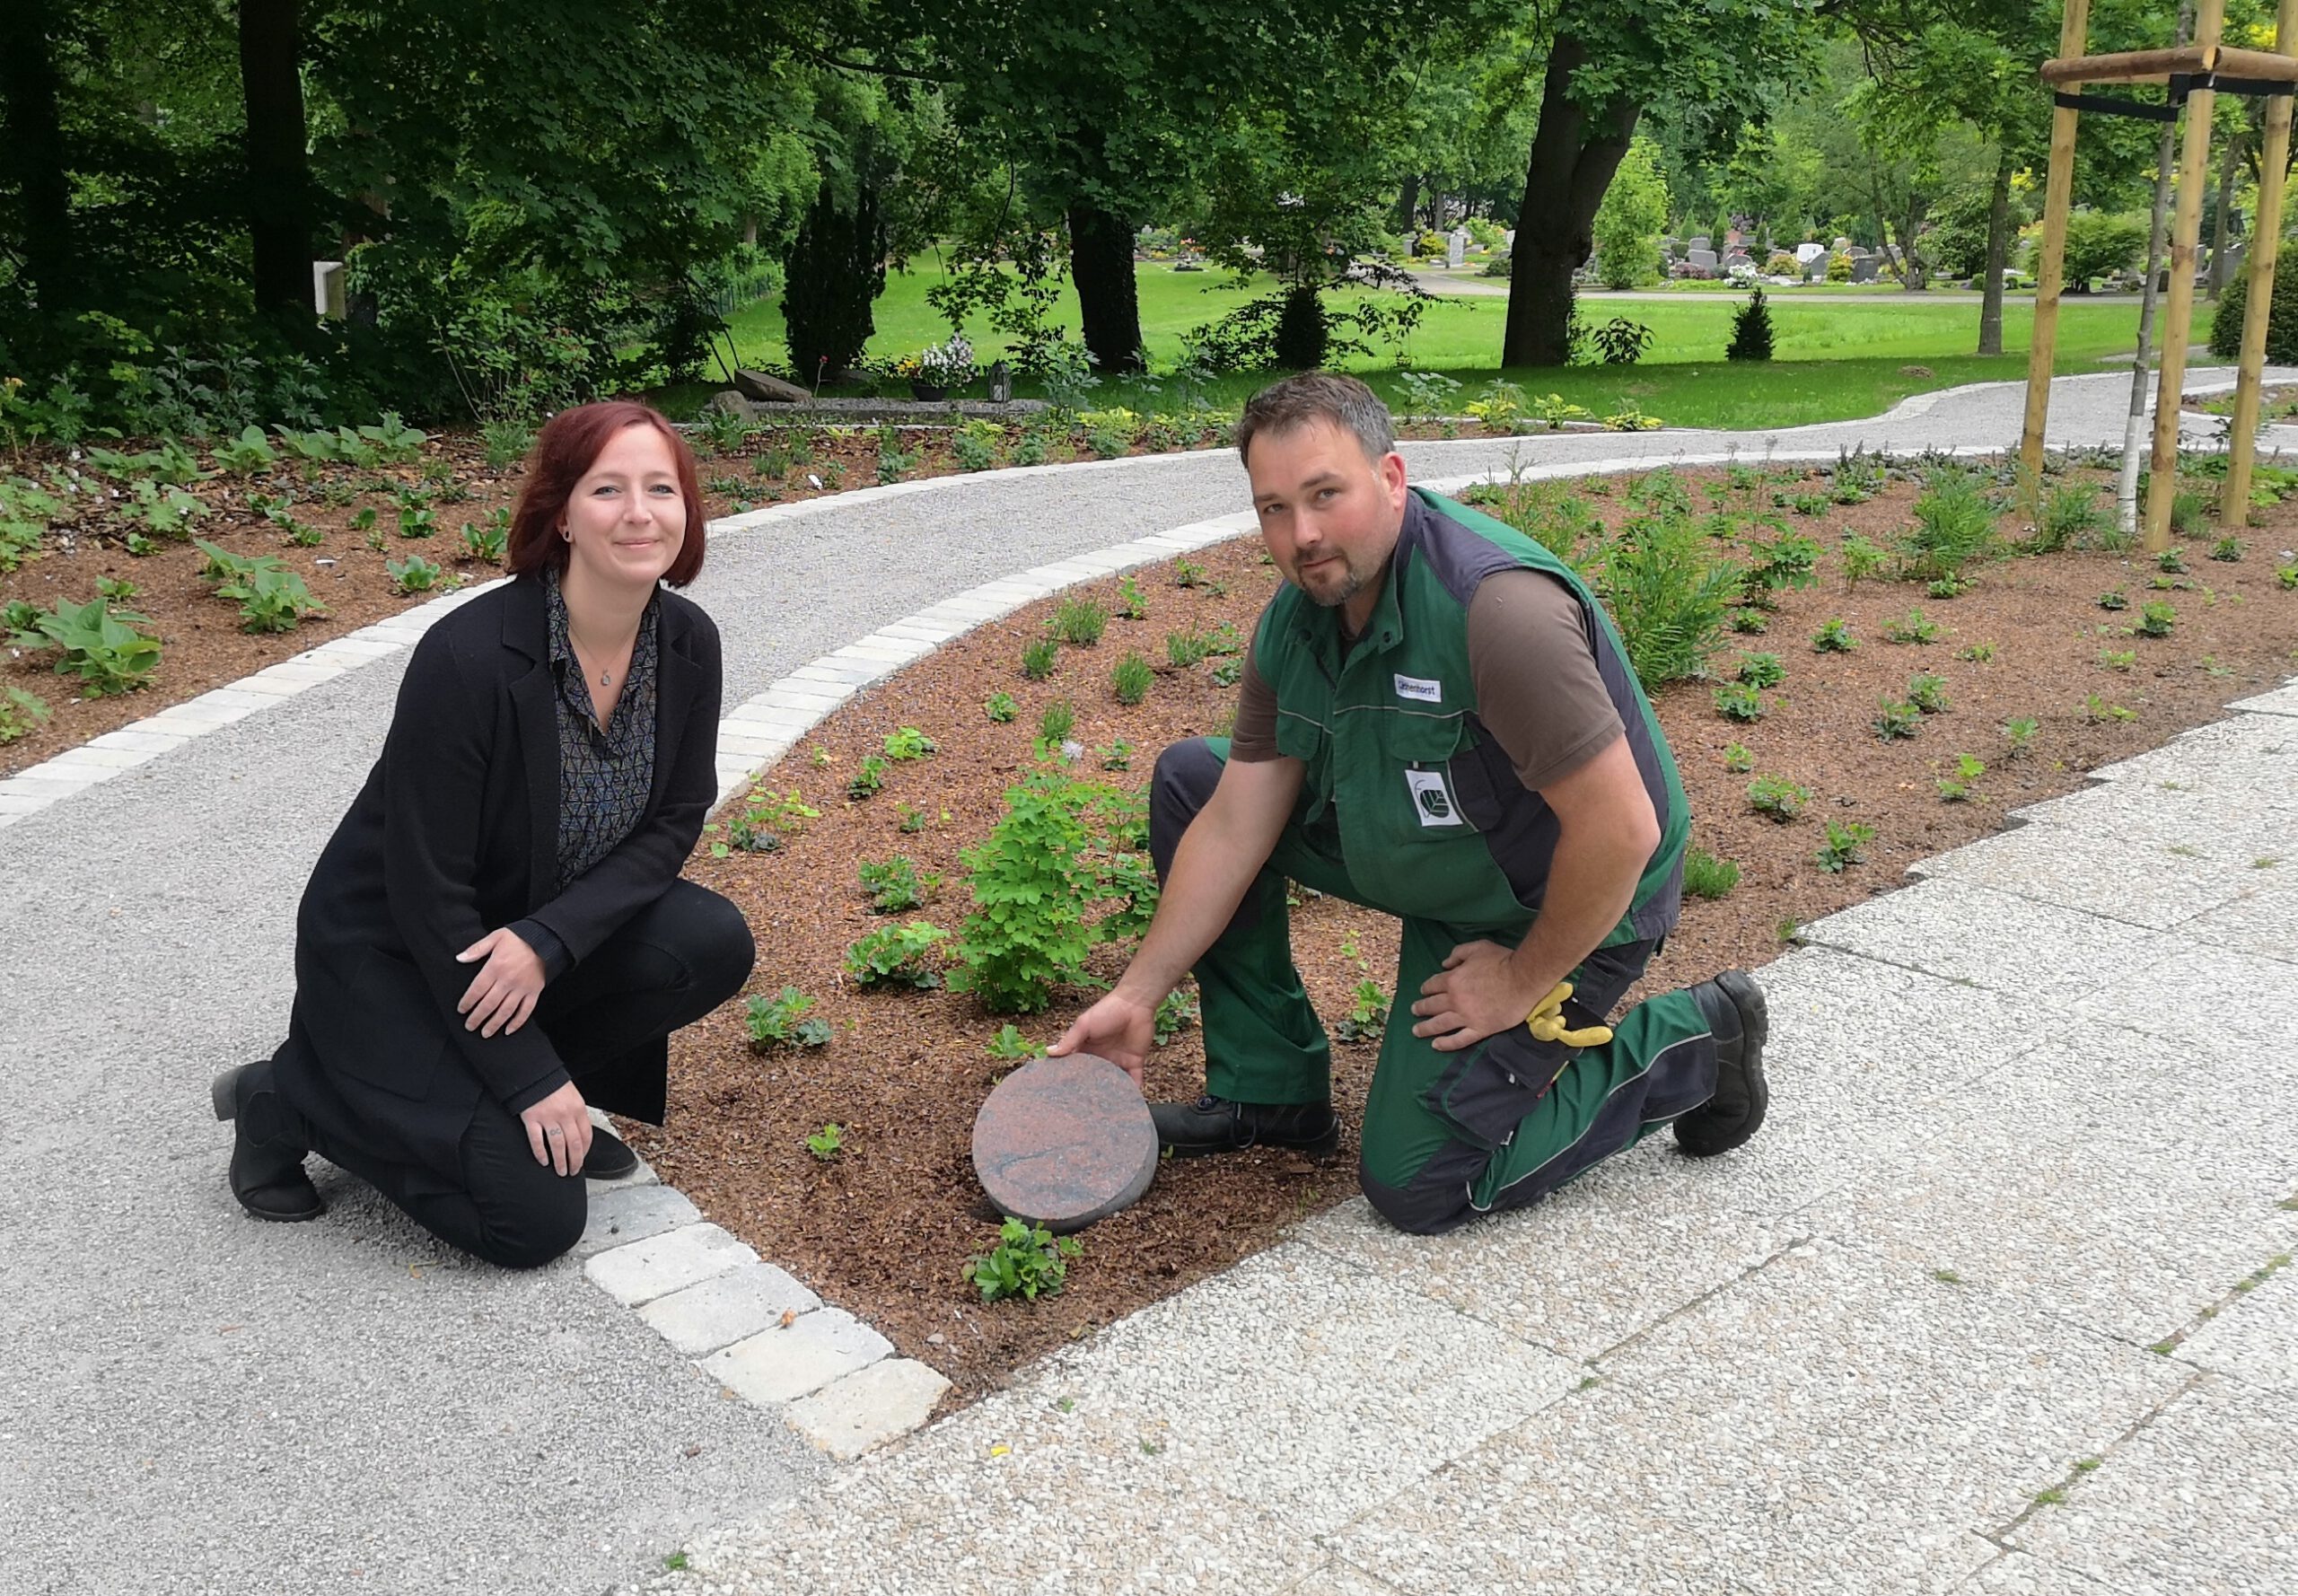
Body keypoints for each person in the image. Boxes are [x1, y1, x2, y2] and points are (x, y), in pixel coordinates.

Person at [1050, 373, 1768, 1236]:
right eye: (1273, 507)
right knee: (1194, 781)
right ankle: (1268, 1095)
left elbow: (1621, 831)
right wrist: (1140, 992)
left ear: (1392, 479)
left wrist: (1519, 980)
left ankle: (1699, 1043)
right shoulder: (1300, 616)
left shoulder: (1496, 612)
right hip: (1430, 846)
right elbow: (1239, 818)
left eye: (1325, 495)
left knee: (1423, 1184)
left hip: (1558, 901)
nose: (1302, 534)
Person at [210, 400, 754, 1268]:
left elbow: (676, 817)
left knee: (709, 941)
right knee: (532, 1223)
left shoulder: (687, 644)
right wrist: (528, 1080)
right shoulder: (467, 658)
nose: (639, 512)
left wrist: (550, 940)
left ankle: (502, 1096)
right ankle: (292, 1096)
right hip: (397, 951)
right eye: (607, 488)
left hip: (520, 938)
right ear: (563, 514)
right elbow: (427, 895)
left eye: (662, 488)